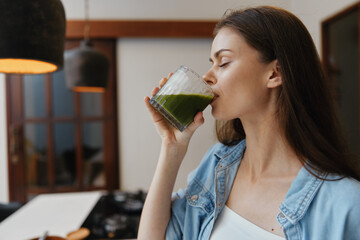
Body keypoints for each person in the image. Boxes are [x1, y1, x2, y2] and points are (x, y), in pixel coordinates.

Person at [138, 6, 360, 240]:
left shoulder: (346, 204)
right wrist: (171, 147)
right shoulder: (216, 166)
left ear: (275, 74)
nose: (207, 77)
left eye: (222, 62)